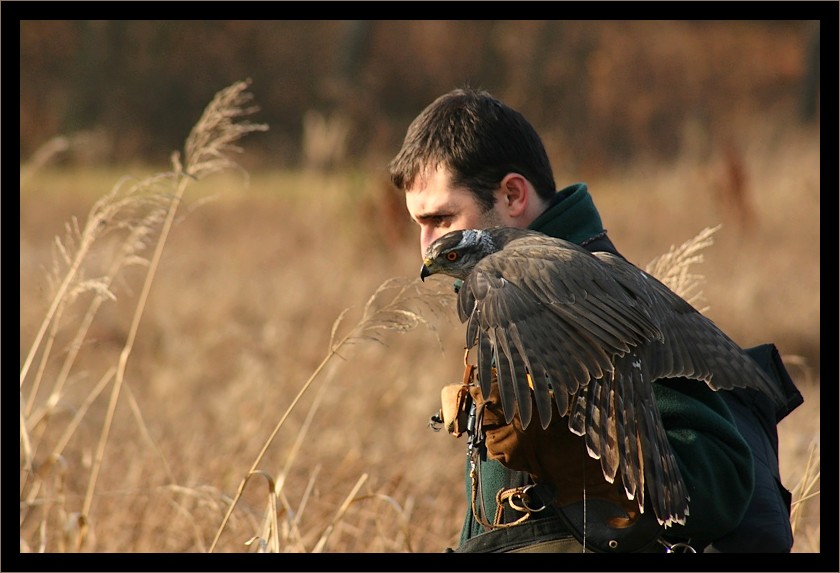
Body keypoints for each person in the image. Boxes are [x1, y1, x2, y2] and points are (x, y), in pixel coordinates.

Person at [388, 87, 755, 553]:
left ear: (513, 194)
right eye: (417, 224)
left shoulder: (587, 284)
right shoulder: (508, 289)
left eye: (441, 218)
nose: (425, 244)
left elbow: (726, 479)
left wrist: (580, 464)